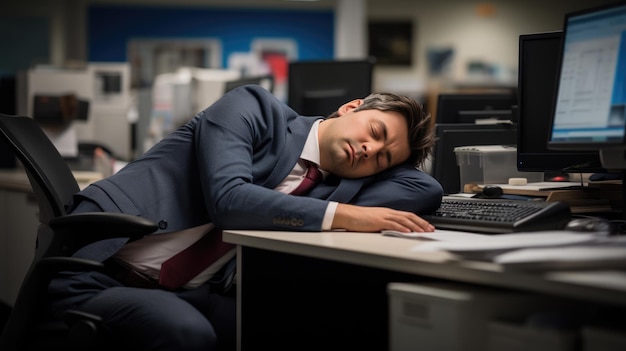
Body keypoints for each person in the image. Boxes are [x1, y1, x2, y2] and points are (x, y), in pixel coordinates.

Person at [47, 84, 443, 350]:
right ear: (350, 107)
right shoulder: (254, 108)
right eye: (374, 131)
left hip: (187, 290)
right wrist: (349, 216)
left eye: (384, 157)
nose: (370, 149)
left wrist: (364, 179)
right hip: (98, 268)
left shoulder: (329, 184)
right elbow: (229, 201)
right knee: (190, 334)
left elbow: (425, 190)